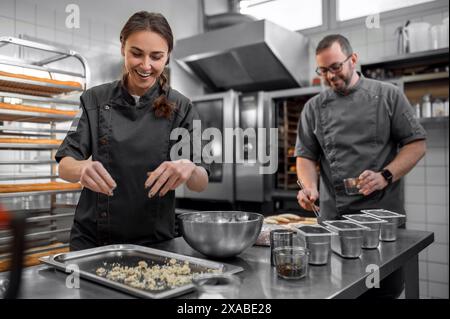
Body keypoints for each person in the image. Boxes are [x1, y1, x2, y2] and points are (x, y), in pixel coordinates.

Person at [56, 11, 209, 251]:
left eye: (156, 56)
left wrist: (189, 168)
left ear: (167, 57)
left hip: (156, 244)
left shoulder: (182, 107)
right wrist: (81, 168)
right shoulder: (94, 99)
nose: (146, 65)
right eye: (136, 53)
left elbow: (201, 182)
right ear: (122, 49)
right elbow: (64, 166)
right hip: (93, 241)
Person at [295, 34, 426, 298]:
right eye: (323, 70)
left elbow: (417, 145)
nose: (330, 76)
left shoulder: (388, 96)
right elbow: (306, 156)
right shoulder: (313, 108)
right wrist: (309, 187)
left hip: (381, 227)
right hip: (333, 225)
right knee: (337, 292)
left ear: (353, 59)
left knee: (381, 293)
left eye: (336, 67)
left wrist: (385, 175)